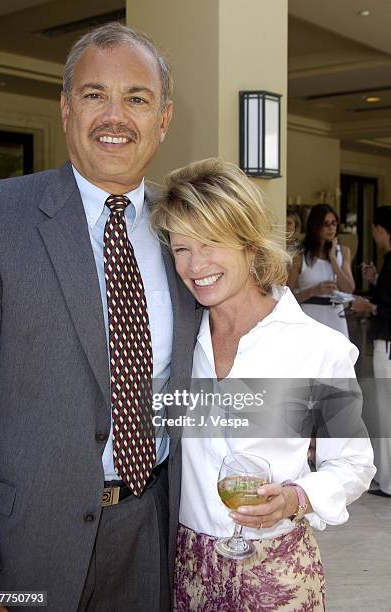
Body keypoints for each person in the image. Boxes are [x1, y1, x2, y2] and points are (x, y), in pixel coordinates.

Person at [0, 22, 200, 612]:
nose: (114, 116)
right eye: (94, 94)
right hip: (24, 553)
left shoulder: (190, 233)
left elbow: (221, 370)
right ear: (65, 107)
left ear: (164, 117)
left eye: (137, 98)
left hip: (153, 530)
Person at [151, 158, 375, 611]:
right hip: (186, 569)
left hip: (277, 573)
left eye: (212, 243)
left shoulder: (318, 348)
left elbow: (354, 463)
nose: (196, 266)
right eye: (181, 249)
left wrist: (296, 497)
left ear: (250, 245)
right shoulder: (174, 341)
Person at [352, 206, 391, 497]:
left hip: (387, 344)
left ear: (380, 229)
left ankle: (388, 481)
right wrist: (376, 281)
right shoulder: (388, 263)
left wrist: (370, 307)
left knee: (385, 411)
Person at [288, 203, 355, 338]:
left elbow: (349, 288)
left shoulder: (343, 251)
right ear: (316, 226)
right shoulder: (300, 256)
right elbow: (287, 297)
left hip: (336, 317)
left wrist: (333, 260)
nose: (331, 228)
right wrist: (314, 291)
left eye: (334, 223)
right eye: (326, 224)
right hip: (310, 318)